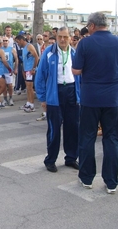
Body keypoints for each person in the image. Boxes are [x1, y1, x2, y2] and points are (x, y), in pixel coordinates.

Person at [72, 12, 118, 194]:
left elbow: (76, 71)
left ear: (91, 25)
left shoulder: (85, 43)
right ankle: (111, 181)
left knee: (87, 137)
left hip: (90, 98)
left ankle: (86, 178)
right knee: (112, 139)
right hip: (113, 98)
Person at [35, 27, 81, 173]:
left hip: (72, 91)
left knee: (72, 127)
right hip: (55, 93)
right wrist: (43, 98)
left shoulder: (74, 53)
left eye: (65, 37)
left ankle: (71, 158)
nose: (62, 40)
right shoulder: (48, 53)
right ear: (56, 36)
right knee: (54, 129)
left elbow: (81, 77)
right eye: (60, 36)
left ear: (70, 38)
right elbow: (40, 76)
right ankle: (51, 160)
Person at [15, 34, 39, 113]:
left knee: (30, 87)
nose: (18, 44)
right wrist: (23, 70)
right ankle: (28, 103)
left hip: (30, 70)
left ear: (22, 40)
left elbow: (36, 57)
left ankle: (32, 105)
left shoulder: (29, 46)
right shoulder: (24, 48)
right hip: (26, 70)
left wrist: (34, 68)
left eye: (18, 42)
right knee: (28, 87)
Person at [1, 36, 18, 106]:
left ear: (8, 42)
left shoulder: (12, 49)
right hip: (2, 70)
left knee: (10, 85)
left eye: (6, 41)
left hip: (9, 71)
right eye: (4, 41)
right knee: (3, 86)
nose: (5, 42)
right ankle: (5, 99)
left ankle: (10, 98)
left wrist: (15, 68)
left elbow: (16, 59)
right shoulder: (0, 49)